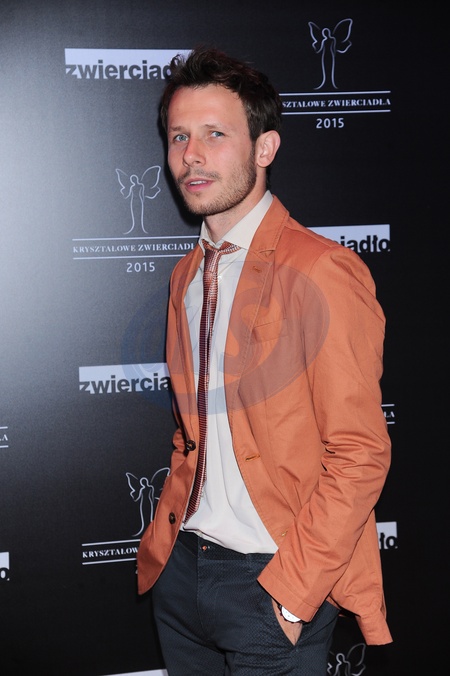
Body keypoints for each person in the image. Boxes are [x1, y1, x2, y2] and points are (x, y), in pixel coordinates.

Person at [137, 45, 392, 675]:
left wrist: (293, 593)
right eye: (179, 136)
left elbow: (360, 453)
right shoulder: (186, 276)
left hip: (272, 581)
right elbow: (192, 431)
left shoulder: (322, 271)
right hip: (182, 571)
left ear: (265, 148)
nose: (191, 155)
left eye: (215, 134)